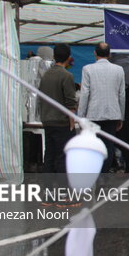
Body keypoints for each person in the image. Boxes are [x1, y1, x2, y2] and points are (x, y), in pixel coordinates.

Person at [78, 43, 125, 173]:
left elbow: (85, 94)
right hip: (113, 114)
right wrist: (121, 116)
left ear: (95, 53)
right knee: (108, 146)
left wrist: (81, 116)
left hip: (93, 114)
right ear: (109, 54)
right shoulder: (119, 69)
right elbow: (121, 94)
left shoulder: (87, 69)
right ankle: (104, 173)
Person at [39, 44, 77, 173]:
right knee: (62, 156)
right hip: (62, 123)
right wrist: (72, 124)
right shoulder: (67, 76)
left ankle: (48, 188)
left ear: (54, 56)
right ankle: (62, 189)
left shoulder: (45, 75)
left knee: (49, 154)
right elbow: (70, 103)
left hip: (47, 120)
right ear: (69, 58)